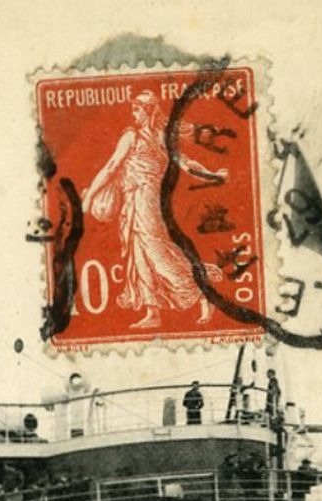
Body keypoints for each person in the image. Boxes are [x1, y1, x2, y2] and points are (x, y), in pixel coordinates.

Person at [82, 90, 228, 329]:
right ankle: (153, 312)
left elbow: (112, 167)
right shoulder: (141, 136)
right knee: (139, 253)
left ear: (148, 111)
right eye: (133, 110)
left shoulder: (148, 137)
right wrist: (212, 176)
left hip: (147, 200)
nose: (134, 114)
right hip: (133, 201)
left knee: (157, 252)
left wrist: (212, 175)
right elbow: (112, 167)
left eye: (138, 110)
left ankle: (202, 291)